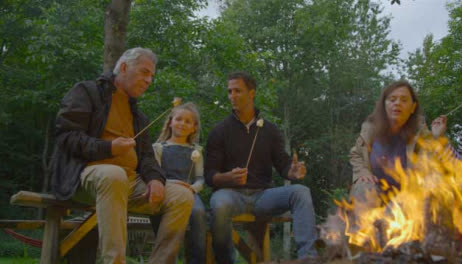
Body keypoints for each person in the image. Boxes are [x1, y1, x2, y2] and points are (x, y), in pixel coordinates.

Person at [50, 47, 193, 264]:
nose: (149, 80)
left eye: (152, 76)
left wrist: (155, 178)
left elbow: (146, 156)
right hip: (84, 178)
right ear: (124, 67)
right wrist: (108, 148)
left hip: (130, 183)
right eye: (145, 72)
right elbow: (66, 136)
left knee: (182, 196)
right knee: (113, 175)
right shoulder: (87, 92)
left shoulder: (138, 116)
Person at [204, 71, 318, 263]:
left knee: (301, 192)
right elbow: (209, 175)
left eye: (237, 91)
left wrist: (292, 171)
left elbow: (282, 163)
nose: (232, 96)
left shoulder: (270, 130)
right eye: (229, 91)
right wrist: (228, 178)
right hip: (230, 195)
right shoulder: (219, 131)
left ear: (252, 93)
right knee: (220, 204)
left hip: (263, 196)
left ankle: (309, 258)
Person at [349, 80, 428, 206]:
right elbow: (356, 154)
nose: (397, 103)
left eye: (404, 100)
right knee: (364, 188)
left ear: (413, 107)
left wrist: (436, 136)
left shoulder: (420, 133)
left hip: (406, 197)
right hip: (374, 192)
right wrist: (362, 172)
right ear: (384, 105)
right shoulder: (370, 129)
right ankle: (360, 225)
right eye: (392, 99)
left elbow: (429, 168)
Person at [152, 102, 207, 264]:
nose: (182, 124)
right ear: (170, 122)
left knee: (198, 212)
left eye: (188, 121)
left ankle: (196, 259)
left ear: (194, 128)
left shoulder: (196, 150)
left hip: (190, 192)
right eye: (179, 119)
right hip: (166, 191)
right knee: (158, 211)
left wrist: (192, 189)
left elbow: (200, 178)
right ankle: (167, 258)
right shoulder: (158, 148)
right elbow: (155, 174)